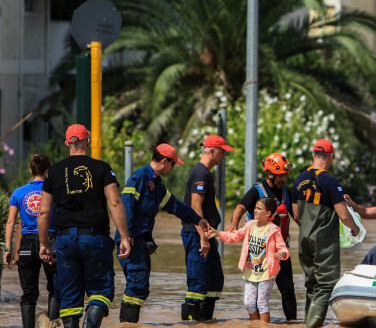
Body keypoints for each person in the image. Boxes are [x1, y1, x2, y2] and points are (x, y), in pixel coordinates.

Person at [37, 124, 132, 328]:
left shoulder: (53, 172)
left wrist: (43, 243)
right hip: (95, 239)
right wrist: (124, 237)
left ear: (67, 143)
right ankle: (91, 323)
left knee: (70, 295)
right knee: (101, 290)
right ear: (87, 141)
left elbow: (43, 212)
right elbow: (115, 203)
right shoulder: (102, 168)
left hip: (65, 240)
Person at [116, 143, 212, 323]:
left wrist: (197, 219)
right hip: (131, 239)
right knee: (137, 285)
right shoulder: (140, 177)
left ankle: (127, 324)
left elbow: (174, 205)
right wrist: (126, 234)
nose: (173, 168)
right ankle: (127, 324)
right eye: (173, 164)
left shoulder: (157, 184)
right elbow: (126, 204)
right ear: (164, 161)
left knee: (140, 287)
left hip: (142, 242)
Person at [291, 139, 360, 328]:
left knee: (311, 283)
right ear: (331, 157)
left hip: (304, 238)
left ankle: (308, 322)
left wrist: (308, 227)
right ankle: (313, 326)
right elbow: (344, 215)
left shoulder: (298, 179)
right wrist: (355, 228)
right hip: (323, 239)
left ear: (313, 155)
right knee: (327, 283)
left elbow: (295, 214)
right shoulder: (330, 181)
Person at [225, 152, 297, 320]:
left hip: (280, 250)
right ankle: (257, 324)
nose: (284, 179)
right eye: (281, 176)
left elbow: (296, 216)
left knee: (287, 289)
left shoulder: (287, 192)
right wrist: (234, 225)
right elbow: (240, 208)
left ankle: (293, 323)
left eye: (286, 175)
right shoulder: (256, 191)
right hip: (258, 253)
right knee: (254, 299)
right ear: (270, 173)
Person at [211, 197, 289, 323]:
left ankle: (264, 326)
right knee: (249, 303)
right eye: (255, 208)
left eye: (259, 208)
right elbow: (235, 236)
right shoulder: (250, 225)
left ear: (268, 213)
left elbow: (282, 247)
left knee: (262, 303)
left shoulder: (274, 230)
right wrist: (218, 234)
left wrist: (283, 253)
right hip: (250, 271)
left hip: (266, 272)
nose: (255, 210)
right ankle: (256, 324)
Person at [180, 135, 232, 321]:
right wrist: (203, 237)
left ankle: (207, 322)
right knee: (198, 284)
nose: (224, 156)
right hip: (196, 235)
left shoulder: (204, 173)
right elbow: (195, 206)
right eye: (222, 152)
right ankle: (190, 324)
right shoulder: (200, 173)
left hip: (205, 235)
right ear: (212, 151)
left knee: (214, 282)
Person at [4, 154, 58, 327]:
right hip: (50, 242)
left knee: (28, 293)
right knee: (56, 288)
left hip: (27, 245)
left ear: (30, 170)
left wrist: (8, 248)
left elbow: (10, 222)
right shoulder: (54, 190)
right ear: (48, 170)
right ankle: (53, 324)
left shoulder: (18, 193)